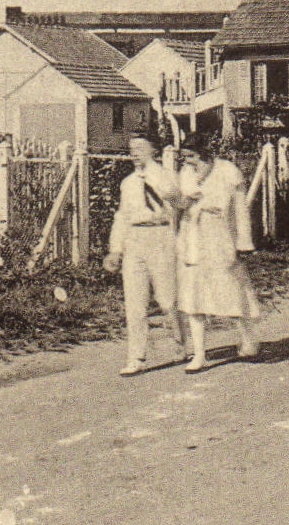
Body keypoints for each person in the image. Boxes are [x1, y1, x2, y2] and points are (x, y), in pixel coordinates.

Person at [174, 131, 262, 373]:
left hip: (220, 238)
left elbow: (241, 212)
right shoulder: (185, 174)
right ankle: (200, 354)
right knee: (193, 297)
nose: (187, 161)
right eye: (184, 157)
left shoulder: (227, 171)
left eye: (191, 156)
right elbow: (180, 206)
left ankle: (248, 339)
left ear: (203, 153)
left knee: (231, 292)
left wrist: (243, 243)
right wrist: (184, 201)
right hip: (193, 237)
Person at [102, 133, 184, 376]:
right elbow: (122, 218)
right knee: (135, 302)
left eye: (140, 147)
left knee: (167, 299)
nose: (134, 152)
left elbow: (180, 204)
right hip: (135, 240)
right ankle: (136, 357)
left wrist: (168, 190)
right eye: (131, 148)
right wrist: (116, 249)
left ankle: (181, 343)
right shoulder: (127, 183)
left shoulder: (167, 177)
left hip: (161, 237)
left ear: (154, 150)